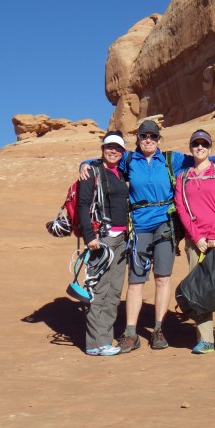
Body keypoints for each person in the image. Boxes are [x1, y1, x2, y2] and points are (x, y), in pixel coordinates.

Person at [80, 120, 215, 353]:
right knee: (136, 281)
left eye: (153, 136)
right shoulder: (129, 159)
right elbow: (107, 160)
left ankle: (159, 330)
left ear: (159, 140)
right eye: (144, 136)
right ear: (139, 139)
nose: (148, 140)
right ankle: (131, 333)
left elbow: (202, 155)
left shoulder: (172, 159)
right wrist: (85, 163)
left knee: (163, 278)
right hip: (140, 227)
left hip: (165, 226)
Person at [174, 129, 215, 355]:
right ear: (191, 148)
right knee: (199, 288)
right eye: (196, 144)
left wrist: (213, 235)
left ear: (210, 148)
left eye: (204, 144)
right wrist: (196, 236)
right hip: (196, 240)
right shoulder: (183, 177)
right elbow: (181, 209)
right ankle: (205, 339)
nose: (200, 147)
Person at [78, 130, 129, 356]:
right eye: (109, 147)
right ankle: (93, 343)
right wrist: (89, 237)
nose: (113, 151)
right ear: (103, 149)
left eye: (117, 148)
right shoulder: (92, 172)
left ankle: (104, 340)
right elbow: (83, 205)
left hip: (121, 239)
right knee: (99, 290)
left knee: (115, 291)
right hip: (102, 240)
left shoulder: (120, 173)